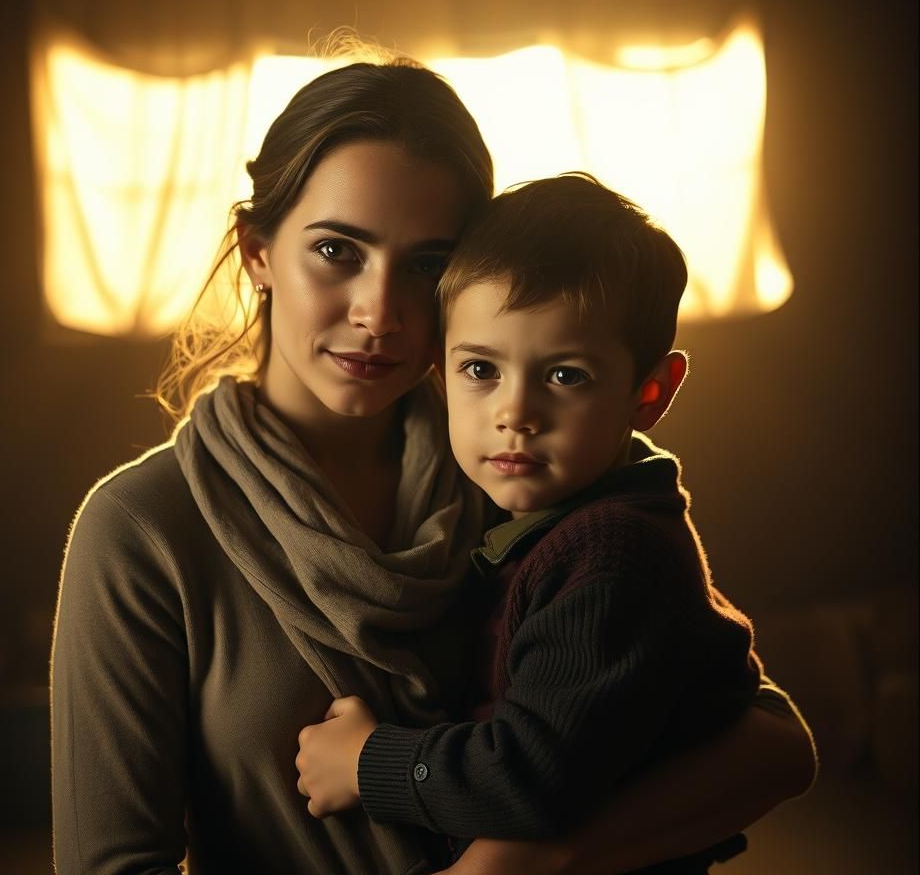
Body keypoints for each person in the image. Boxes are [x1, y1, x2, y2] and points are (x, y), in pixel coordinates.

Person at [50, 55, 816, 875]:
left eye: (425, 265)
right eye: (338, 250)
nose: (380, 313)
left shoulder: (512, 476)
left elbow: (769, 744)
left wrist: (512, 864)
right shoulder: (143, 529)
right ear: (258, 252)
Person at [295, 173, 779, 871]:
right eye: (481, 369)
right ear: (441, 368)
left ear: (650, 393)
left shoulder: (611, 552)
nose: (513, 413)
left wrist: (371, 762)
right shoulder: (543, 514)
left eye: (565, 377)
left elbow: (533, 777)